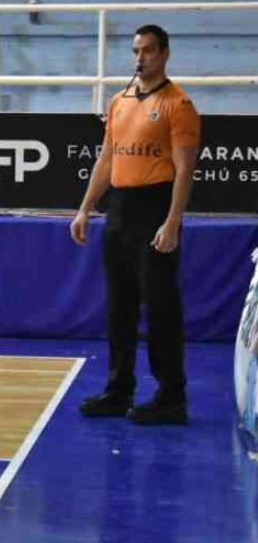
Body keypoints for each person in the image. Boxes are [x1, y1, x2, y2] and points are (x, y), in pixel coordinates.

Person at [71, 24, 200, 426]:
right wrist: (85, 208)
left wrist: (173, 220)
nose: (140, 58)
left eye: (147, 50)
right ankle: (118, 388)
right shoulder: (120, 101)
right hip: (120, 209)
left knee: (161, 306)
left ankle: (171, 396)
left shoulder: (178, 104)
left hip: (154, 207)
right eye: (136, 50)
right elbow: (107, 158)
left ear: (164, 54)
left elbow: (184, 169)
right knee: (119, 306)